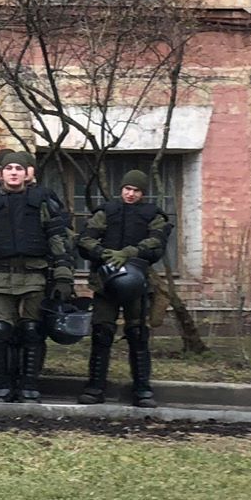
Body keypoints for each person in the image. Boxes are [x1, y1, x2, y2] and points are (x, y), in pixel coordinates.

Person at [0, 148, 74, 402]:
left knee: (32, 330)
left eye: (19, 169)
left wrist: (63, 276)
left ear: (27, 174)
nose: (14, 173)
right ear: (0, 174)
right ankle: (1, 385)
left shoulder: (42, 202)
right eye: (9, 169)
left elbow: (58, 240)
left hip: (34, 276)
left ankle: (28, 386)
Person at [76, 169, 171, 408]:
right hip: (105, 280)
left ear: (143, 193)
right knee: (102, 332)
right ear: (121, 189)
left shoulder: (153, 214)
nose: (131, 194)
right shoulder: (106, 211)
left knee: (138, 334)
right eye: (127, 189)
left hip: (137, 281)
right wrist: (103, 253)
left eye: (136, 190)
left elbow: (158, 242)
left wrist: (132, 252)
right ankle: (95, 387)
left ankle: (142, 389)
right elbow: (85, 239)